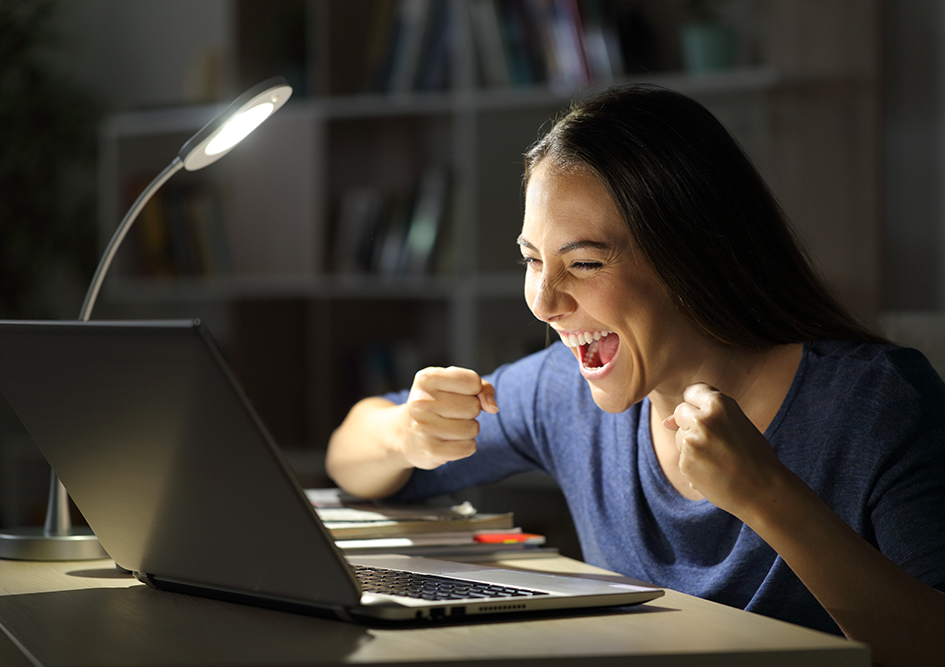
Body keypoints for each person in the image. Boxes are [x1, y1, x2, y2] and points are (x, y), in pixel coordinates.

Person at [325, 84, 945, 667]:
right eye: (532, 260)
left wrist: (767, 497)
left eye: (585, 262)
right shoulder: (565, 394)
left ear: (695, 260)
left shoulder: (878, 402)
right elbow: (349, 459)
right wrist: (403, 431)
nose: (543, 301)